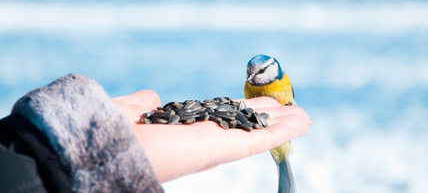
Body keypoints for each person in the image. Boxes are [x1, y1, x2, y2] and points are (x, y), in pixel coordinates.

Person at [0, 74, 311, 192]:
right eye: (250, 73)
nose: (253, 78)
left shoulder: (283, 81)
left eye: (260, 73)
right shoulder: (249, 83)